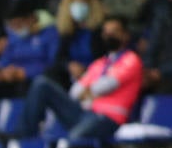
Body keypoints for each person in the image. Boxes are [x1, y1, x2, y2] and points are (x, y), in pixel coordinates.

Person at [11, 15, 141, 140]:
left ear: (125, 35)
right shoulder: (99, 63)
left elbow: (107, 85)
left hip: (108, 117)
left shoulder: (131, 59)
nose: (109, 35)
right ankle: (24, 136)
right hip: (83, 112)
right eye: (106, 32)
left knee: (74, 140)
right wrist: (89, 90)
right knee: (41, 84)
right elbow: (75, 91)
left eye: (114, 32)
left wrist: (89, 90)